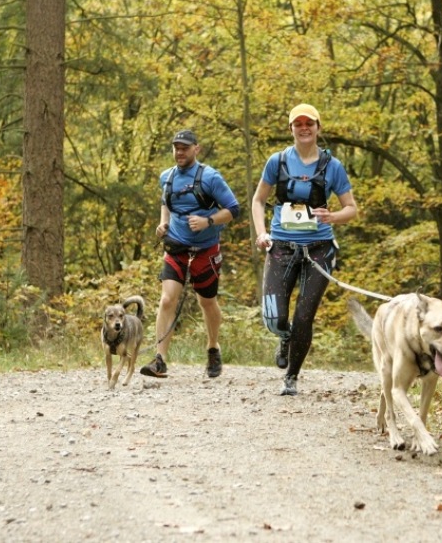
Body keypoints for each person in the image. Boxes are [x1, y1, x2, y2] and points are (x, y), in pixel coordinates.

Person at [251, 104, 358, 396]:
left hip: (319, 249)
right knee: (274, 316)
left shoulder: (331, 166)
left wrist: (333, 217)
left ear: (318, 127)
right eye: (298, 124)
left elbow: (352, 208)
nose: (304, 128)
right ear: (291, 130)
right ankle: (284, 337)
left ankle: (292, 376)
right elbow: (258, 200)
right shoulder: (278, 161)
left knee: (304, 316)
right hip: (281, 246)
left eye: (309, 123)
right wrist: (262, 233)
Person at [140, 129, 240, 380]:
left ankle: (213, 347)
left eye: (185, 147)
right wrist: (163, 223)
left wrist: (208, 221)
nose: (180, 152)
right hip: (176, 247)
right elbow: (166, 201)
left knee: (206, 302)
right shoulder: (167, 177)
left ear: (196, 148)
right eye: (176, 147)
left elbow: (233, 209)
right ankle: (160, 359)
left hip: (206, 250)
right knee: (166, 300)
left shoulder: (210, 178)